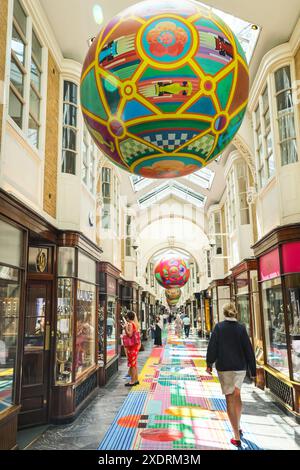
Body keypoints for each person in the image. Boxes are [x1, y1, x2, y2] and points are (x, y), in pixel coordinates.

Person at [206, 303, 256, 448]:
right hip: (240, 368)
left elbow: (212, 346)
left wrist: (209, 363)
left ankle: (236, 436)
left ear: (224, 313)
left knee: (229, 399)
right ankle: (238, 426)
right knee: (237, 395)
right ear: (235, 313)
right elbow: (248, 349)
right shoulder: (241, 328)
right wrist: (252, 370)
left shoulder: (219, 328)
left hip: (225, 368)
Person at [123, 311, 141, 387]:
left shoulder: (130, 324)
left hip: (132, 346)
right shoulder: (135, 324)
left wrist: (125, 328)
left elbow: (129, 334)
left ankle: (133, 381)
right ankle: (136, 379)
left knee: (132, 364)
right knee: (134, 363)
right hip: (135, 346)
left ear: (127, 317)